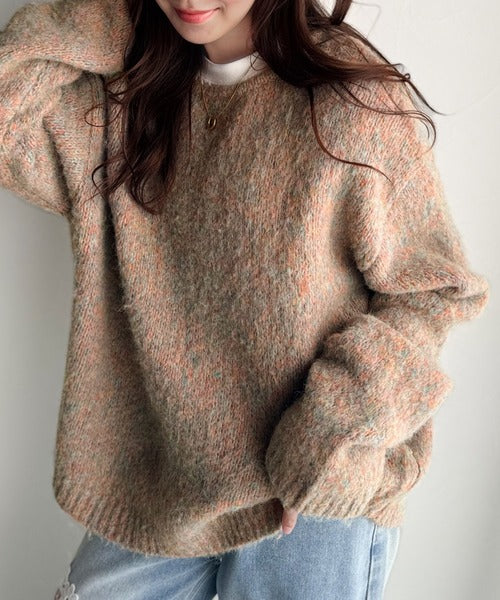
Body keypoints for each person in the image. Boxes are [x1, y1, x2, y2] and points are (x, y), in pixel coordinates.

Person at [0, 0, 489, 598]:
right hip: (164, 492)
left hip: (310, 501)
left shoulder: (346, 102)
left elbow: (431, 291)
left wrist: (328, 438)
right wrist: (119, 14)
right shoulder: (126, 104)